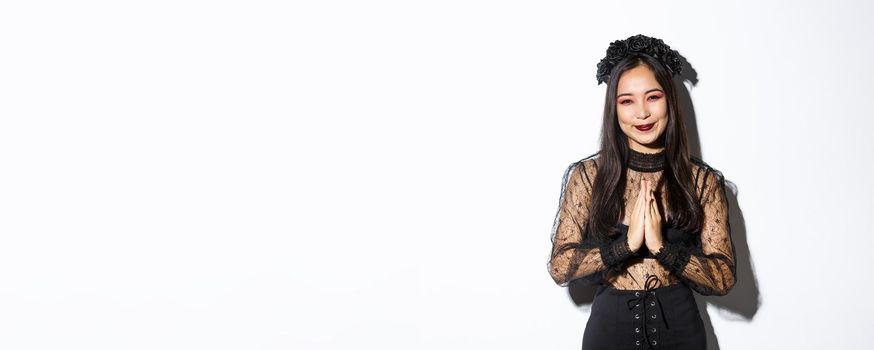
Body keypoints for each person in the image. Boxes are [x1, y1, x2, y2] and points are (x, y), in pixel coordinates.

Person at [546, 34, 737, 350]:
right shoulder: (588, 176)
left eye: (653, 97)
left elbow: (724, 278)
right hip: (610, 331)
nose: (642, 113)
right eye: (627, 101)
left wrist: (662, 248)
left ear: (669, 100)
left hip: (681, 331)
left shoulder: (702, 181)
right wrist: (625, 246)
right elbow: (560, 266)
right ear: (614, 108)